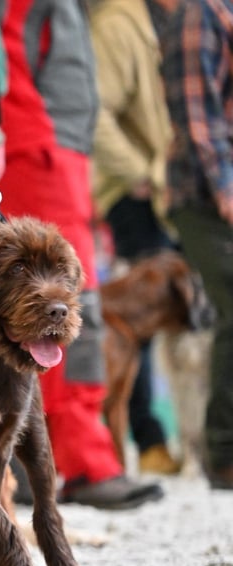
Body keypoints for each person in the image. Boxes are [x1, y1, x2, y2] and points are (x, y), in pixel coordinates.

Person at [0, 0, 164, 509]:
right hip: (42, 151)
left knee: (51, 304)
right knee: (62, 303)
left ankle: (35, 462)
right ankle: (84, 463)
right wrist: (41, 139)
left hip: (57, 149)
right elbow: (9, 53)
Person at [89, 0, 180, 475]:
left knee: (179, 323)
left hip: (179, 193)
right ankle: (146, 442)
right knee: (132, 325)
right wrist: (139, 173)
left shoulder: (191, 16)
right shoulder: (120, 22)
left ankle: (166, 443)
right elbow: (95, 110)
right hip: (136, 197)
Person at [157, 0, 233, 490]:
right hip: (205, 196)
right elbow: (197, 117)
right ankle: (224, 452)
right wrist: (227, 194)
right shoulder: (199, 13)